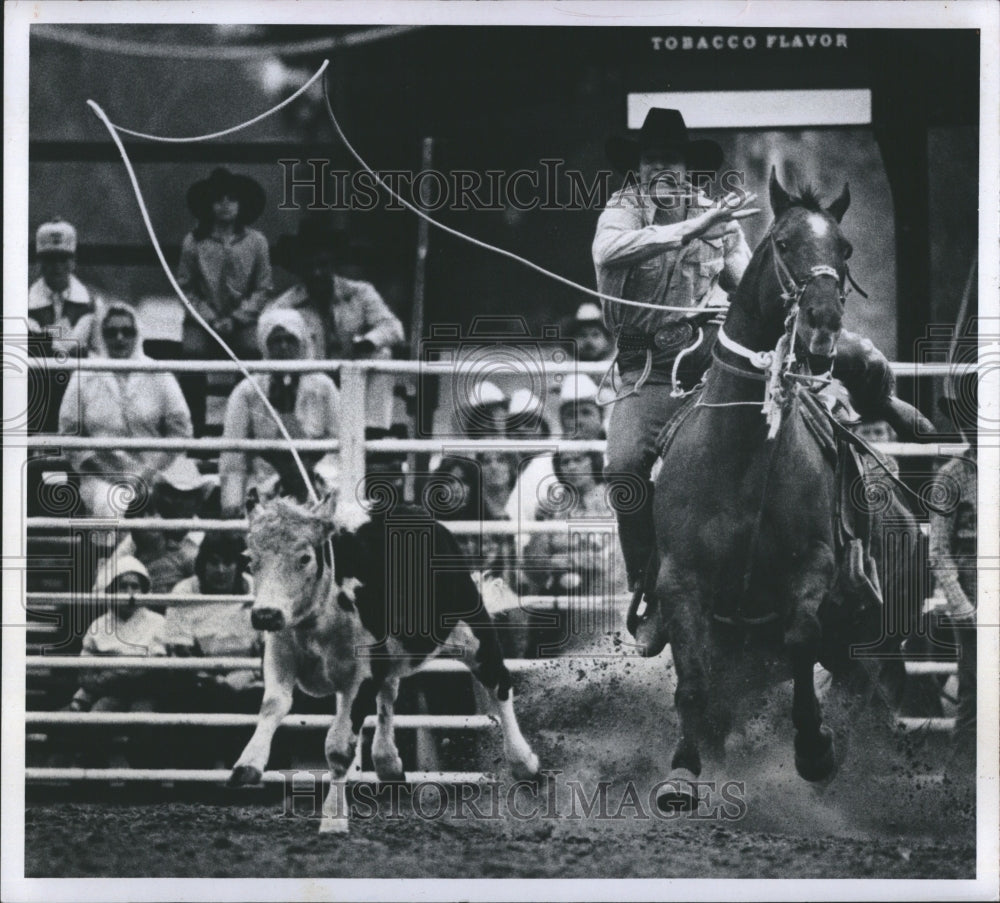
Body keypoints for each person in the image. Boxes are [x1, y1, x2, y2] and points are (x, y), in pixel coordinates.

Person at [594, 108, 935, 649]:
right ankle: (650, 589)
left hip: (711, 359)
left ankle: (880, 404)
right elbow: (608, 251)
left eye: (671, 160)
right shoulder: (622, 211)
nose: (662, 169)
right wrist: (691, 230)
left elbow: (750, 283)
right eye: (652, 160)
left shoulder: (720, 219)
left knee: (838, 359)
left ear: (686, 168)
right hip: (648, 376)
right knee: (623, 468)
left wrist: (772, 297)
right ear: (638, 169)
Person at [57, 301, 193, 519]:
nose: (119, 338)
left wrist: (149, 473)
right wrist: (112, 474)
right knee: (112, 503)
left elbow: (181, 431)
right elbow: (69, 435)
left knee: (183, 499)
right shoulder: (84, 376)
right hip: (102, 474)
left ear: (137, 333)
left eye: (127, 331)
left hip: (157, 470)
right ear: (101, 335)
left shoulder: (158, 373)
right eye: (111, 332)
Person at [268, 214, 404, 428]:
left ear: (334, 264)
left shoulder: (359, 293)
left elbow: (393, 327)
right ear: (300, 269)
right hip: (309, 380)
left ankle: (372, 430)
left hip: (352, 376)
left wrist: (367, 342)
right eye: (309, 267)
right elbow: (269, 341)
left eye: (323, 265)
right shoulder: (285, 306)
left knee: (382, 355)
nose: (317, 273)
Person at [176, 167, 273, 433]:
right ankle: (194, 429)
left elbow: (263, 288)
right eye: (218, 199)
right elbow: (185, 288)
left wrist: (238, 318)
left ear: (241, 205)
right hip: (201, 321)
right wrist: (208, 318)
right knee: (192, 357)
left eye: (232, 199)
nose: (225, 205)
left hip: (242, 321)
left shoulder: (256, 242)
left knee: (252, 356)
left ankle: (245, 428)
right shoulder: (193, 242)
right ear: (209, 205)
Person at [219, 308, 341, 517]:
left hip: (317, 478)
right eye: (276, 341)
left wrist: (314, 475)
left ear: (301, 343)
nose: (283, 347)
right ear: (265, 345)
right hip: (266, 481)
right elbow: (233, 454)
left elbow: (339, 444)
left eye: (290, 340)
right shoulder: (248, 390)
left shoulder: (323, 386)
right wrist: (232, 503)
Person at [65, 555, 165, 714]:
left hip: (145, 694)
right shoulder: (99, 625)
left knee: (142, 717)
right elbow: (86, 674)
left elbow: (155, 671)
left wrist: (116, 675)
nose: (129, 593)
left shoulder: (158, 622)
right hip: (107, 693)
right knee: (99, 714)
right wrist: (108, 680)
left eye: (135, 587)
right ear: (111, 590)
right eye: (122, 586)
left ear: (144, 590)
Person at [113, 456, 212, 596]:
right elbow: (107, 575)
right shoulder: (144, 535)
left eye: (186, 495)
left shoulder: (208, 537)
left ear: (198, 501)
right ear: (160, 497)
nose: (178, 501)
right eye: (172, 494)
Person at [28, 218, 101, 356]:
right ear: (40, 262)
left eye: (63, 258)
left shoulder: (92, 303)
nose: (57, 266)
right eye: (50, 259)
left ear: (73, 261)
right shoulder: (25, 302)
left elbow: (99, 350)